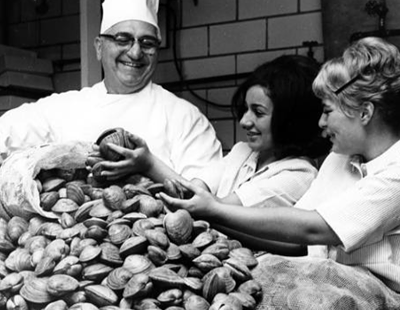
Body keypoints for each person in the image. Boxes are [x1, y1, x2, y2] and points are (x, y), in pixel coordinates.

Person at [157, 36, 400, 293]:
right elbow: (296, 242)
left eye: (328, 111)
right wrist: (209, 215)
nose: (321, 123)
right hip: (323, 287)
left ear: (365, 113)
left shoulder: (396, 171)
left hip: (380, 307)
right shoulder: (340, 158)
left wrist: (214, 210)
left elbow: (315, 228)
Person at [0, 0, 222, 179]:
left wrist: (150, 167)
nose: (135, 53)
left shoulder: (184, 118)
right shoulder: (67, 109)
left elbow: (204, 199)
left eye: (147, 42)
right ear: (99, 47)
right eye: (122, 39)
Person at [95, 54, 330, 255]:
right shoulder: (243, 152)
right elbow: (192, 191)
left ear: (292, 120)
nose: (245, 121)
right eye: (245, 109)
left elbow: (216, 208)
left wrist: (149, 165)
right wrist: (145, 161)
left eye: (258, 112)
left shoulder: (299, 174)